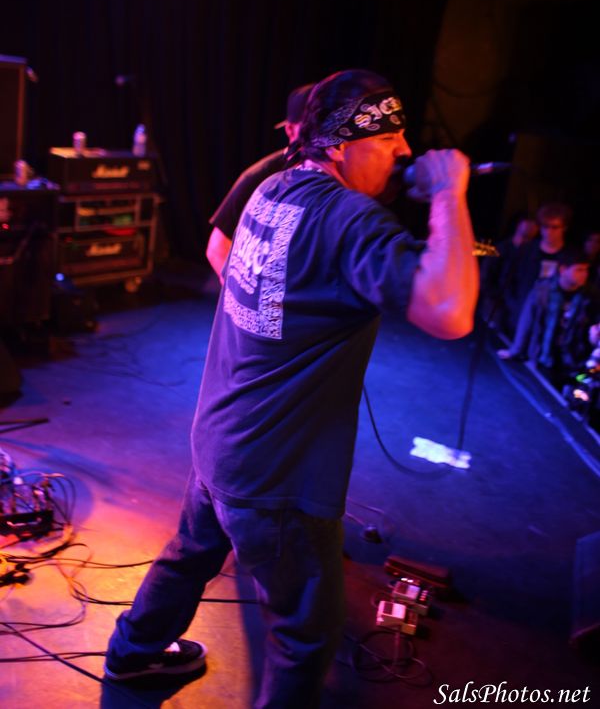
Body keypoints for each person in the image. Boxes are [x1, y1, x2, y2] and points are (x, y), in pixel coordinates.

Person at [104, 69, 479, 707]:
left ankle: (130, 657)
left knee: (190, 555)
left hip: (221, 438)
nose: (405, 149)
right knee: (306, 636)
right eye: (388, 135)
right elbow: (450, 312)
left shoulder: (271, 187)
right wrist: (448, 194)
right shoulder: (350, 221)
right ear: (341, 145)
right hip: (279, 476)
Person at [206, 83, 313, 282]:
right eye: (312, 127)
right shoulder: (260, 176)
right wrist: (241, 292)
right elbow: (217, 247)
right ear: (290, 130)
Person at [497, 249, 598, 385]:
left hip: (571, 362)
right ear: (563, 269)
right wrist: (515, 350)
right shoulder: (543, 290)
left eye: (586, 270)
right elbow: (527, 321)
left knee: (574, 387)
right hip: (543, 357)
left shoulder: (589, 296)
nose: (584, 274)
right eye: (579, 270)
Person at [499, 202, 572, 336]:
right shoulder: (526, 250)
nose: (549, 232)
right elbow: (507, 281)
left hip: (550, 323)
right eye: (545, 227)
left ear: (564, 228)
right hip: (517, 316)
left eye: (554, 227)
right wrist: (513, 306)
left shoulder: (570, 257)